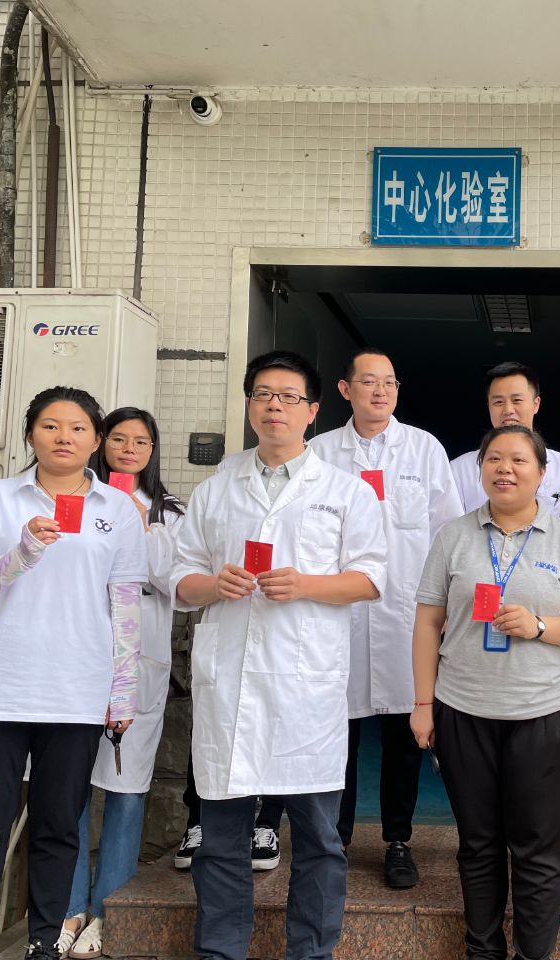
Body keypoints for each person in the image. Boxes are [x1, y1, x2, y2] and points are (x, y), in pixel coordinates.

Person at [171, 350, 387, 960]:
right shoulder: (216, 490)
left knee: (319, 838)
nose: (275, 406)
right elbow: (181, 580)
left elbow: (372, 578)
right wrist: (215, 584)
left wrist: (307, 584)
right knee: (220, 840)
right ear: (249, 406)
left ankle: (311, 951)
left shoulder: (345, 492)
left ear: (313, 411)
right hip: (231, 685)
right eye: (263, 394)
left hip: (305, 689)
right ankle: (221, 951)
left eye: (289, 396)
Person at [0, 386, 146, 960]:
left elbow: (125, 605)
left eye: (78, 428)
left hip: (76, 691)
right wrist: (22, 554)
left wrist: (122, 695)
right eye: (51, 426)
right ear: (30, 433)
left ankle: (43, 944)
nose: (64, 437)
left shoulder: (116, 510)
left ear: (96, 439)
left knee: (58, 826)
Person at [411, 425, 560, 960]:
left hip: (542, 711)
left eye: (519, 460)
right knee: (477, 842)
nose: (505, 469)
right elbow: (427, 623)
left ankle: (532, 954)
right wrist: (423, 704)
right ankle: (483, 949)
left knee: (537, 847)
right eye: (493, 459)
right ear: (480, 470)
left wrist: (539, 626)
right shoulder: (453, 536)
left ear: (542, 473)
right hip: (463, 708)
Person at [308, 347, 462, 888]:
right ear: (345, 390)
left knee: (404, 735)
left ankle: (398, 839)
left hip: (405, 614)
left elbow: (447, 533)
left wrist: (448, 608)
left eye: (390, 383)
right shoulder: (320, 452)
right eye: (369, 382)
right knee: (337, 733)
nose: (381, 391)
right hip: (338, 614)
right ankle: (336, 839)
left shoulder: (423, 448)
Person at [58, 408, 184, 958]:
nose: (129, 449)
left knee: (127, 785)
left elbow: (172, 582)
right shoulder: (73, 500)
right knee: (66, 784)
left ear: (153, 451)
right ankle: (65, 907)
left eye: (142, 442)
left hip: (138, 661)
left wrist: (140, 525)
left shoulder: (170, 513)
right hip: (73, 657)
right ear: (100, 443)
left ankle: (109, 910)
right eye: (119, 438)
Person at [448, 361, 560, 519]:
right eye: (498, 402)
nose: (508, 410)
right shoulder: (459, 470)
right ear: (489, 406)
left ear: (536, 404)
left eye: (517, 400)